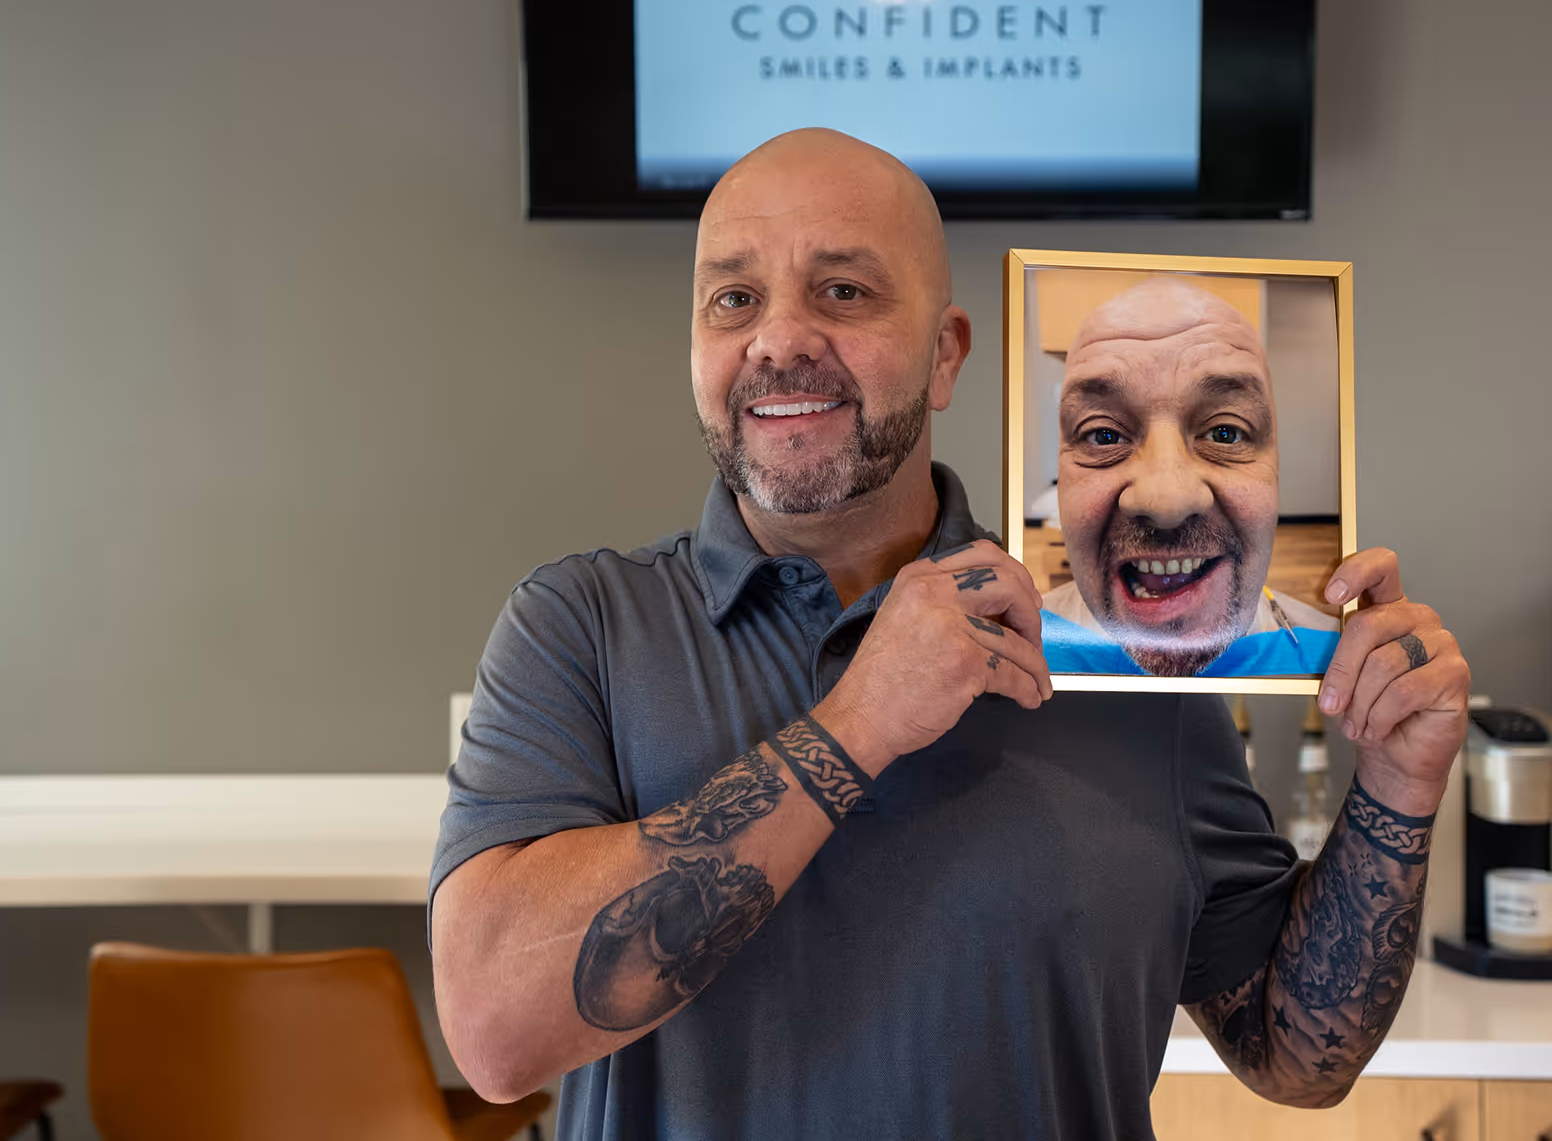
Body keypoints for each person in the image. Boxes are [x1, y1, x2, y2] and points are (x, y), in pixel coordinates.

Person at [429, 128, 1471, 1139]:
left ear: (944, 354)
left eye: (843, 290)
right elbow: (495, 1034)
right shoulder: (580, 628)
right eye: (733, 298)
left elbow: (1295, 1057)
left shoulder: (1119, 655)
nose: (779, 338)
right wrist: (853, 729)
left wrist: (1396, 786)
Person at [1040, 277, 1340, 678]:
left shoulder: (1332, 660)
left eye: (1225, 433)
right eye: (1104, 435)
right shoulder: (1006, 666)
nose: (1167, 501)